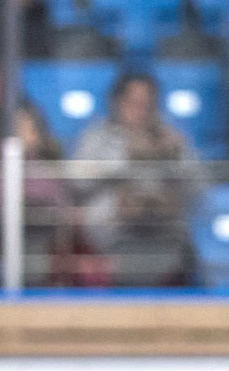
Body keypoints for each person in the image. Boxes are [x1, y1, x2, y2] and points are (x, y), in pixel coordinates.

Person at [71, 70, 199, 288]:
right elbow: (78, 181)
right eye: (133, 102)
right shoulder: (97, 137)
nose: (141, 110)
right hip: (113, 237)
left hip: (165, 236)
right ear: (117, 102)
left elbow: (200, 190)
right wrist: (126, 157)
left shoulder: (171, 137)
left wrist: (174, 158)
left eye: (147, 103)